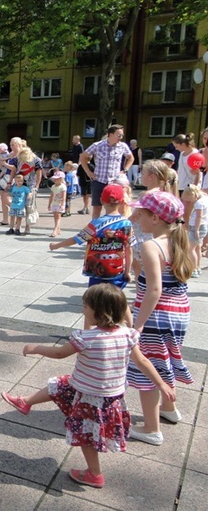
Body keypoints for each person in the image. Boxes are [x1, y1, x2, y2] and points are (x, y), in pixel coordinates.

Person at [1, 283, 174, 489]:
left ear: (99, 312)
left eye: (85, 306)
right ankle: (26, 402)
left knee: (85, 435)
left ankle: (94, 474)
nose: (83, 310)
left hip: (91, 398)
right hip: (100, 392)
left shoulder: (85, 338)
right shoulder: (128, 335)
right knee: (60, 384)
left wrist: (35, 348)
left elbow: (59, 353)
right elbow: (143, 362)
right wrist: (161, 384)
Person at [126, 191, 194, 445]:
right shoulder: (178, 239)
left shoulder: (150, 245)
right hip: (179, 312)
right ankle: (169, 407)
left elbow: (154, 289)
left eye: (141, 214)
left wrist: (139, 323)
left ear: (155, 218)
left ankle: (151, 428)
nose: (137, 217)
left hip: (157, 315)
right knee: (164, 360)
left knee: (148, 368)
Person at [50, 184, 134, 293]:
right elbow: (129, 249)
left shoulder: (95, 224)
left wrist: (56, 245)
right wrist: (128, 271)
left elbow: (76, 239)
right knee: (114, 301)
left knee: (95, 300)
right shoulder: (126, 224)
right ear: (122, 202)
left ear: (101, 201)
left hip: (96, 272)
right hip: (116, 272)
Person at [79, 125, 134, 219]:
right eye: (119, 135)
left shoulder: (122, 146)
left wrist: (125, 170)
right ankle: (95, 229)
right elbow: (83, 157)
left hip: (114, 182)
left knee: (115, 208)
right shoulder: (98, 145)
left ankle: (113, 228)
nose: (121, 138)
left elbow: (131, 158)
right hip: (99, 180)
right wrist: (88, 172)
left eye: (122, 135)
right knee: (97, 208)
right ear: (111, 134)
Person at [182, 185, 208, 277]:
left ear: (193, 194)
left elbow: (199, 217)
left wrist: (196, 230)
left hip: (197, 227)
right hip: (203, 226)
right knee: (197, 248)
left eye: (189, 198)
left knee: (190, 249)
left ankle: (194, 269)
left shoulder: (198, 203)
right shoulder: (204, 198)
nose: (189, 201)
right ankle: (198, 267)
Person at [71, 135, 91, 215]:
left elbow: (81, 155)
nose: (73, 141)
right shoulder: (74, 146)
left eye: (74, 139)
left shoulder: (80, 146)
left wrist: (79, 164)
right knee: (86, 194)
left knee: (85, 194)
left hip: (83, 177)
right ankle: (86, 207)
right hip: (87, 180)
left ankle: (86, 207)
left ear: (77, 139)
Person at [48, 170, 67, 237]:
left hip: (59, 203)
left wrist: (62, 204)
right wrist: (49, 204)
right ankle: (58, 228)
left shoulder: (63, 186)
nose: (55, 180)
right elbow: (51, 196)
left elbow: (64, 197)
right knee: (55, 216)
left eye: (57, 178)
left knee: (58, 216)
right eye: (54, 178)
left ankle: (55, 230)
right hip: (54, 203)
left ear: (61, 179)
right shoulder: (53, 186)